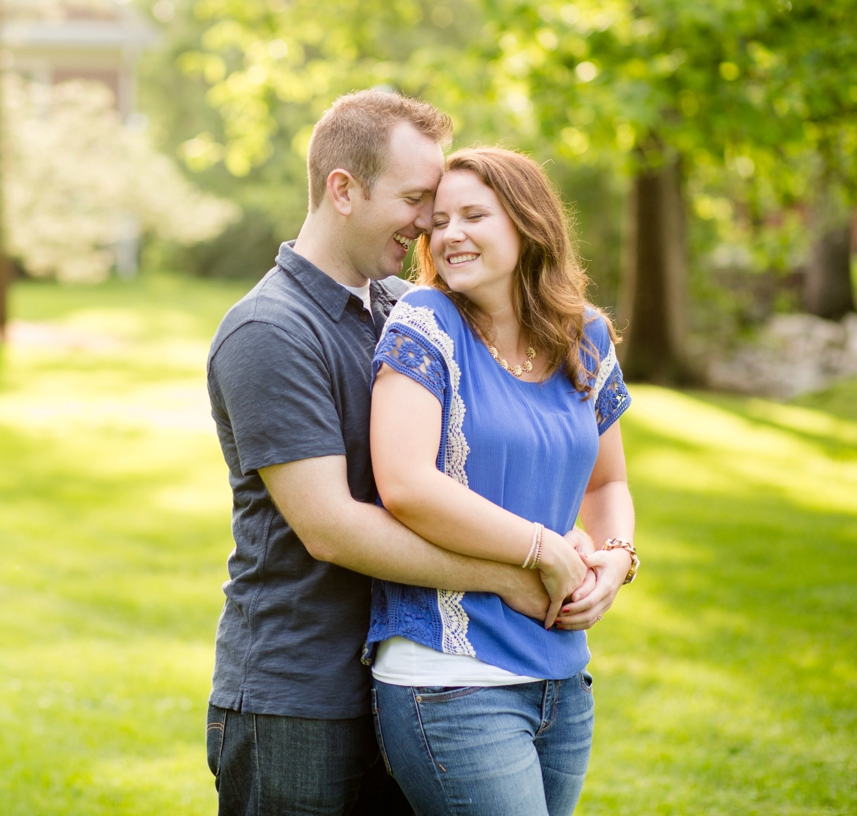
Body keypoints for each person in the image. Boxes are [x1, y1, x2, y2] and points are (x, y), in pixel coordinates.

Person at [204, 91, 612, 816]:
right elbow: (330, 526)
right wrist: (510, 573)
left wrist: (593, 545)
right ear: (344, 190)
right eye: (417, 199)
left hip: (406, 682)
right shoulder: (269, 331)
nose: (429, 222)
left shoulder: (408, 311)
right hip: (299, 694)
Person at [366, 146, 638, 816]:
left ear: (527, 223)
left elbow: (606, 486)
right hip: (451, 680)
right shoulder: (426, 324)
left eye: (474, 215)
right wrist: (544, 548)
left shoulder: (587, 337)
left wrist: (615, 558)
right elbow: (404, 484)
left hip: (563, 680)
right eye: (441, 220)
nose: (449, 232)